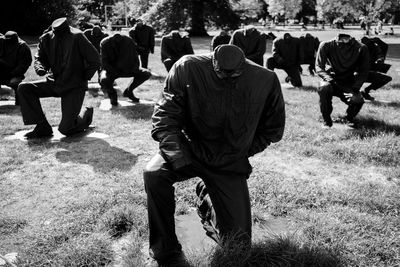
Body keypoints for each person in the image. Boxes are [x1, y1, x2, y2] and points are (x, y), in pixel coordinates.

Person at [143, 44, 285, 266]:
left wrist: (241, 151)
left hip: (229, 160)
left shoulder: (265, 79)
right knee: (154, 173)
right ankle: (165, 248)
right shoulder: (187, 67)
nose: (225, 77)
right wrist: (178, 157)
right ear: (212, 62)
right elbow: (165, 117)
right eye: (219, 72)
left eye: (234, 74)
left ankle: (206, 197)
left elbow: (273, 130)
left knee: (239, 245)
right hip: (189, 149)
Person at [17, 18, 100, 138]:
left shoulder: (78, 37)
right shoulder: (46, 38)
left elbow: (95, 60)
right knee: (24, 88)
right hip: (54, 83)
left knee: (66, 129)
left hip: (73, 86)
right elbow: (39, 57)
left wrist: (83, 77)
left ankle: (86, 112)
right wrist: (40, 67)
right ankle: (42, 126)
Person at [315, 33, 370, 127]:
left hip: (348, 81)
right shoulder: (326, 45)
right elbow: (319, 67)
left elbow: (364, 71)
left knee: (358, 100)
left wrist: (356, 87)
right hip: (331, 79)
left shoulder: (361, 47)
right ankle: (326, 120)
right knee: (324, 88)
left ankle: (348, 118)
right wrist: (329, 79)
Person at [100, 33, 151, 105]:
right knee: (104, 80)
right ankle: (113, 95)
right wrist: (113, 71)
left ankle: (128, 91)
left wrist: (134, 68)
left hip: (127, 68)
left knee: (146, 74)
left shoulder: (128, 41)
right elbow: (104, 62)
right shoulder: (105, 43)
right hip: (111, 69)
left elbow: (135, 57)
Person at [0, 31, 32, 105]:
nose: (9, 44)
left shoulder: (23, 47)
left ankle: (19, 101)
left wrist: (11, 73)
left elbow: (23, 66)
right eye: (7, 41)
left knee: (15, 83)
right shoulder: (2, 42)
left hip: (15, 73)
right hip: (1, 71)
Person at [360, 36, 392, 101]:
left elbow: (381, 52)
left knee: (386, 79)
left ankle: (366, 91)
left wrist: (379, 60)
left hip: (367, 73)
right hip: (355, 74)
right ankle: (356, 93)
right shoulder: (356, 49)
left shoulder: (374, 48)